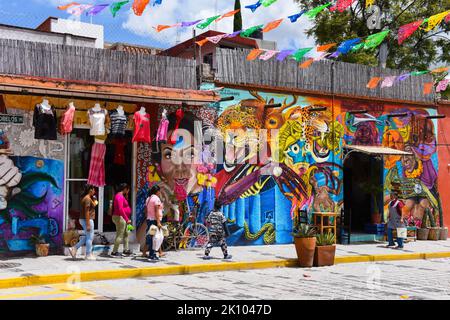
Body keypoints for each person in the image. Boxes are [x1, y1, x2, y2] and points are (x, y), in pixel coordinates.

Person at [69, 184, 97, 260]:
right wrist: (88, 224)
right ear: (90, 190)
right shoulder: (87, 199)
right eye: (93, 189)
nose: (94, 191)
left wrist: (94, 200)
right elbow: (87, 212)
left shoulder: (88, 198)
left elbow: (93, 205)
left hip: (85, 219)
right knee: (90, 238)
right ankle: (88, 255)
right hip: (87, 219)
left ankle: (74, 248)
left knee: (88, 236)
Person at [111, 183, 132, 257]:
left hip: (123, 217)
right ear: (125, 189)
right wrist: (126, 219)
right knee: (120, 235)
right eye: (128, 189)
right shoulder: (119, 196)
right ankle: (114, 251)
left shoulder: (121, 196)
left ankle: (126, 250)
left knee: (126, 233)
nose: (128, 191)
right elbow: (120, 209)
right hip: (120, 217)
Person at [145, 185, 164, 261]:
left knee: (152, 237)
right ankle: (152, 254)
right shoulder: (156, 199)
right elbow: (156, 211)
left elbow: (145, 211)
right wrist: (158, 222)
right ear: (157, 191)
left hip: (149, 220)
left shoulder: (148, 199)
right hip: (154, 220)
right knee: (155, 238)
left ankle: (151, 253)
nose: (160, 193)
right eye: (159, 191)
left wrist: (147, 217)